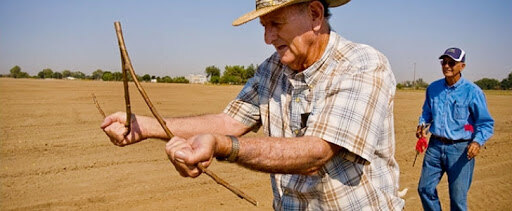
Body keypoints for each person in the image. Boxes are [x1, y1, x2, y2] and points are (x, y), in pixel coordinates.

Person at [102, 0, 405, 209]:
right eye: (263, 25)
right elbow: (229, 121)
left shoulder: (362, 64)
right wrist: (145, 127)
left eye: (276, 23)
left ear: (314, 14)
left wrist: (224, 147)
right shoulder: (272, 69)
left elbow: (317, 152)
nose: (267, 37)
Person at [416, 47, 494, 211]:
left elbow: (485, 123)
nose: (446, 66)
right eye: (444, 62)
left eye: (452, 62)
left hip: (460, 150)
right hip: (435, 147)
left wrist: (477, 142)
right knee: (424, 189)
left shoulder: (473, 92)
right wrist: (422, 125)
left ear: (462, 66)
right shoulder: (433, 89)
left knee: (458, 200)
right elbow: (426, 114)